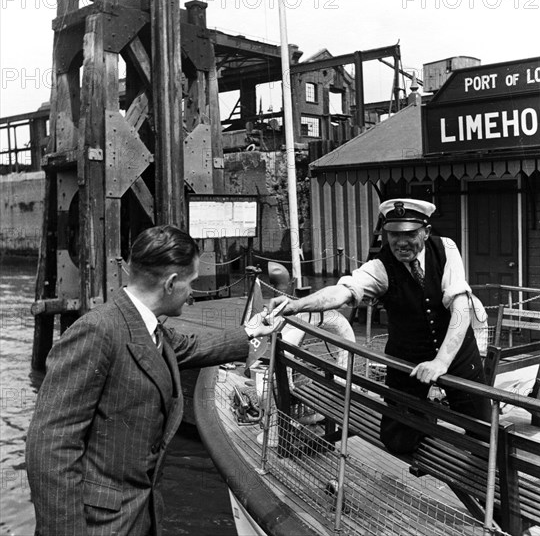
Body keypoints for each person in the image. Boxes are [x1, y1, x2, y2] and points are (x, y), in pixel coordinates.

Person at [26, 225, 279, 536]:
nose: (193, 291)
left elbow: (189, 347)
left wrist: (251, 331)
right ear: (171, 283)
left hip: (140, 515)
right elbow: (49, 447)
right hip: (100, 525)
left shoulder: (148, 326)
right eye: (191, 283)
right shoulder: (97, 331)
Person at [268, 198, 492, 454]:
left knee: (482, 431)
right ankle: (424, 421)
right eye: (394, 234)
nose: (401, 242)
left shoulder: (446, 249)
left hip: (457, 353)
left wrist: (441, 362)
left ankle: (483, 472)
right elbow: (342, 291)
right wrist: (296, 305)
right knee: (398, 441)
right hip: (408, 356)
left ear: (426, 232)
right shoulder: (381, 266)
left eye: (410, 233)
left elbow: (461, 309)